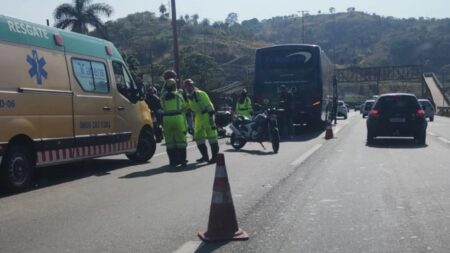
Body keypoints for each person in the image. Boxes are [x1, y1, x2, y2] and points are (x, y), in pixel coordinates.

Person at [183, 78, 219, 164]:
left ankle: (215, 157)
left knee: (212, 138)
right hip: (198, 117)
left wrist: (211, 119)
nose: (188, 88)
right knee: (199, 138)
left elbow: (209, 106)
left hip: (207, 116)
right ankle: (205, 156)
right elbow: (187, 107)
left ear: (193, 86)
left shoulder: (201, 94)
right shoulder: (189, 96)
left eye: (189, 86)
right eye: (186, 87)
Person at [160, 78, 188, 167]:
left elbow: (161, 105)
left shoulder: (162, 97)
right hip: (178, 118)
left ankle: (173, 162)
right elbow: (185, 105)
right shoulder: (178, 95)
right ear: (174, 86)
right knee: (181, 141)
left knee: (170, 142)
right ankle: (182, 160)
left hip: (167, 119)